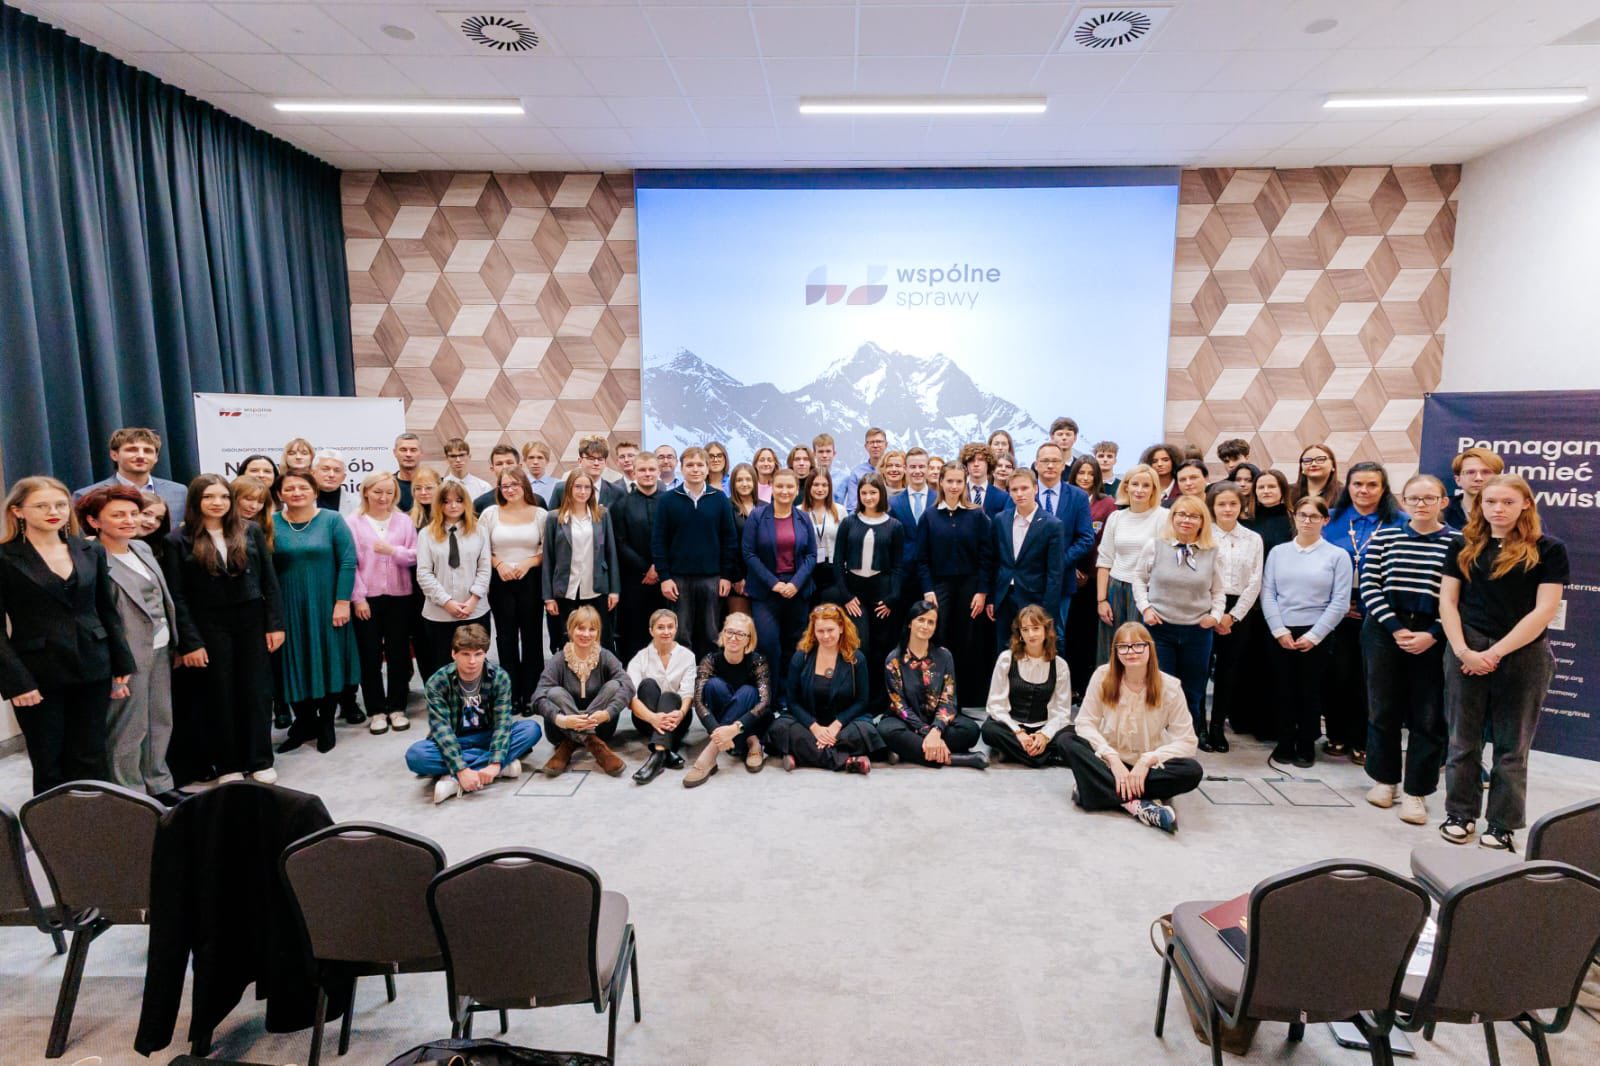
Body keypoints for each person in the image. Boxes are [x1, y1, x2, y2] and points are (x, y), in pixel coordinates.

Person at [1437, 475, 1567, 852]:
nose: (1498, 509)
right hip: (1467, 648)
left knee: (1512, 746)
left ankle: (1502, 824)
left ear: (1526, 503)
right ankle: (1459, 814)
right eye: (1491, 501)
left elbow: (1544, 611)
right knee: (1463, 741)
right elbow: (1448, 602)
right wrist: (1464, 651)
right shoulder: (1462, 544)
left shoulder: (1549, 549)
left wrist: (1495, 653)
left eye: (1508, 502)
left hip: (1523, 653)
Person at [0, 478, 133, 794]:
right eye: (41, 506)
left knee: (91, 754)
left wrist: (121, 662)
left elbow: (106, 609)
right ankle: (53, 824)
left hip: (93, 663)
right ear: (18, 511)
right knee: (49, 759)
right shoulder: (5, 557)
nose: (53, 512)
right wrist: (17, 681)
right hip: (37, 672)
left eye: (60, 505)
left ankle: (93, 819)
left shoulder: (89, 549)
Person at [75, 487, 189, 805]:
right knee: (128, 726)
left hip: (160, 647)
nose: (129, 520)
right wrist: (113, 662)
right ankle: (130, 793)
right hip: (125, 655)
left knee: (159, 719)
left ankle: (158, 782)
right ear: (94, 521)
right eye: (118, 515)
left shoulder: (141, 547)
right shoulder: (90, 557)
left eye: (133, 513)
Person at [171, 475, 285, 784]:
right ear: (196, 501)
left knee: (256, 691)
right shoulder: (178, 539)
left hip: (252, 620)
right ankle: (227, 764)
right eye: (209, 497)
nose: (217, 503)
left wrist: (275, 624)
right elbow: (177, 596)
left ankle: (260, 758)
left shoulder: (250, 530)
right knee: (219, 693)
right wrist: (190, 642)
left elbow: (269, 580)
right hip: (208, 624)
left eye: (223, 496)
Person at [1360, 474, 1460, 825]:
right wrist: (1396, 629)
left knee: (1428, 715)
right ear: (1404, 501)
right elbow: (1369, 586)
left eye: (1429, 498)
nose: (1421, 504)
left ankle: (1416, 791)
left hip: (1434, 631)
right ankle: (1385, 780)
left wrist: (1432, 633)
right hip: (1385, 628)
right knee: (1382, 708)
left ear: (1443, 502)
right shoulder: (1385, 536)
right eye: (1414, 498)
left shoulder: (1458, 542)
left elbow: (1462, 596)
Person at [1067, 623, 1201, 833]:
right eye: (1123, 646)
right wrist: (1111, 758)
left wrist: (1148, 760)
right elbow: (1085, 722)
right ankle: (1137, 805)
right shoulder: (1102, 676)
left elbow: (1188, 742)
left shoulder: (1170, 686)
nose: (1131, 652)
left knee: (1192, 771)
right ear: (1116, 651)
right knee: (1067, 739)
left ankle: (1093, 789)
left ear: (1150, 647)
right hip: (1109, 764)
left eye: (1138, 645)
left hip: (1149, 770)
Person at [1321, 462, 1406, 763]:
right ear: (1348, 487)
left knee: (1371, 679)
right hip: (1336, 610)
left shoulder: (1401, 522)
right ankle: (1336, 735)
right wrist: (1339, 603)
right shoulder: (1331, 519)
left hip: (1382, 612)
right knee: (1338, 675)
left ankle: (1364, 740)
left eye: (1372, 485)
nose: (1364, 490)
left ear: (1384, 489)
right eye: (1357, 484)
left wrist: (1372, 605)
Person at [1260, 494, 1352, 768]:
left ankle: (1306, 744)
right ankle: (1285, 741)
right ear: (1295, 517)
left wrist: (1314, 635)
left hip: (1317, 631)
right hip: (1281, 629)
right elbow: (1268, 593)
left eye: (1314, 516)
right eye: (1303, 515)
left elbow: (1340, 601)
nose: (1308, 521)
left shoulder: (1337, 556)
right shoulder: (1279, 552)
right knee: (1283, 688)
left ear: (1325, 520)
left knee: (1310, 691)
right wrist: (1279, 629)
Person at [272, 471, 360, 755]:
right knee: (294, 662)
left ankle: (326, 722)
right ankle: (304, 721)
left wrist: (342, 601)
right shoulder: (271, 524)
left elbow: (348, 561)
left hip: (327, 603)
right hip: (288, 605)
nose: (296, 492)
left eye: (303, 487)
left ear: (314, 492)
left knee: (328, 659)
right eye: (289, 488)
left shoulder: (332, 520)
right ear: (279, 494)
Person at [405, 623, 541, 804]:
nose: (472, 661)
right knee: (416, 755)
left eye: (478, 654)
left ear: (485, 654)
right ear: (454, 654)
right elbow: (442, 729)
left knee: (531, 729)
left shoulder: (499, 677)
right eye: (465, 654)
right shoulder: (437, 682)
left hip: (487, 736)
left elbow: (502, 723)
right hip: (456, 738)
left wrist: (494, 764)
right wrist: (462, 770)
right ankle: (496, 767)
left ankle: (453, 777)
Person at [1133, 493, 1226, 743]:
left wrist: (1215, 616)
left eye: (1194, 516)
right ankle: (1157, 741)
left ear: (1202, 521)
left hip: (1197, 631)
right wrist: (1146, 608)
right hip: (1160, 628)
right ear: (1172, 517)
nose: (1186, 520)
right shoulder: (1155, 546)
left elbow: (1218, 591)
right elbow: (1139, 579)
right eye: (1181, 514)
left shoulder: (1212, 552)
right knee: (1159, 689)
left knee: (1192, 692)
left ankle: (1186, 742)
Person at [914, 462, 995, 708]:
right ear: (941, 482)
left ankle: (964, 699)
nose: (954, 486)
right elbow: (922, 558)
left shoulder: (977, 515)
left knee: (967, 640)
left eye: (959, 481)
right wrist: (928, 589)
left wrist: (982, 591)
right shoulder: (929, 516)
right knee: (939, 638)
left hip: (970, 587)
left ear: (965, 483)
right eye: (949, 481)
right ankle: (937, 696)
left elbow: (986, 556)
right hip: (939, 587)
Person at [767, 604, 881, 773]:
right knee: (780, 728)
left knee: (865, 731)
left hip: (843, 724)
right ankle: (847, 761)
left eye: (830, 630)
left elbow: (862, 701)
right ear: (813, 631)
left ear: (841, 628)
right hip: (808, 723)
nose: (826, 636)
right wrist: (814, 727)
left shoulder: (856, 659)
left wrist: (836, 725)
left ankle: (802, 754)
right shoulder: (801, 657)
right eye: (820, 631)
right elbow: (792, 701)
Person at [346, 472, 417, 734]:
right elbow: (350, 563)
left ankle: (397, 707)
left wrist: (392, 551)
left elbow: (415, 555)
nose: (383, 497)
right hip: (368, 599)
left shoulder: (404, 521)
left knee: (399, 654)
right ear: (366, 491)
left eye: (389, 492)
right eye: (377, 492)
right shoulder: (353, 522)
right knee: (370, 655)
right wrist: (358, 598)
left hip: (400, 597)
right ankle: (376, 710)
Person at [880, 600, 986, 769]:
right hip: (906, 722)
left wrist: (936, 730)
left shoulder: (944, 656)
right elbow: (899, 706)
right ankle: (953, 759)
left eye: (931, 622)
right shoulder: (894, 660)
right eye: (921, 620)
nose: (925, 626)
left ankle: (911, 750)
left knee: (971, 730)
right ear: (910, 623)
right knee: (886, 730)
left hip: (937, 722)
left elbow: (948, 699)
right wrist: (926, 731)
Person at [652, 446, 737, 657]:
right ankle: (684, 676)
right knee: (681, 634)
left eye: (700, 465)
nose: (695, 469)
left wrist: (726, 576)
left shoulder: (720, 499)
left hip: (712, 579)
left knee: (711, 634)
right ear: (681, 468)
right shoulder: (667, 500)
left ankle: (707, 675)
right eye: (690, 465)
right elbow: (658, 541)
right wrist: (664, 577)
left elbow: (729, 540)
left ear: (707, 468)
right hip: (677, 580)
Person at [743, 468, 818, 704]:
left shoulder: (803, 517)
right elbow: (749, 553)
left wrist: (795, 583)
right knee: (768, 645)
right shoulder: (757, 516)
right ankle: (769, 698)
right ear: (772, 488)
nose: (784, 491)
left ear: (796, 490)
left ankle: (791, 698)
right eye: (780, 486)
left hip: (797, 590)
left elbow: (811, 555)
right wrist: (774, 583)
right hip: (766, 591)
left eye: (789, 487)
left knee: (795, 646)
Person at [534, 606, 633, 778]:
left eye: (592, 629)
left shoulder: (605, 656)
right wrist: (562, 720)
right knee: (555, 692)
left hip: (600, 726)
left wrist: (607, 714)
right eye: (581, 628)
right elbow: (537, 696)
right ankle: (595, 745)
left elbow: (628, 686)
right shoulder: (559, 659)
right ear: (570, 629)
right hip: (561, 729)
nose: (586, 634)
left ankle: (568, 745)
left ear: (598, 632)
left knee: (614, 686)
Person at [834, 473, 903, 714]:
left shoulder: (894, 525)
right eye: (864, 493)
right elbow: (838, 562)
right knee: (859, 646)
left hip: (882, 593)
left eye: (873, 492)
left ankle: (879, 703)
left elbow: (898, 566)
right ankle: (857, 700)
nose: (868, 497)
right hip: (854, 593)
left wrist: (892, 598)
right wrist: (845, 596)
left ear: (881, 494)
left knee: (881, 648)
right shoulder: (849, 523)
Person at [481, 467, 546, 714]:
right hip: (500, 581)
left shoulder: (540, 514)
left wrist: (529, 562)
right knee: (506, 639)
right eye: (505, 485)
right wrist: (499, 564)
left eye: (514, 484)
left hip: (531, 581)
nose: (510, 490)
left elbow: (547, 550)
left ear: (524, 486)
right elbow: (480, 548)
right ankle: (509, 694)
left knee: (532, 638)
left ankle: (531, 694)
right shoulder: (490, 514)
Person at [1204, 481, 1263, 753]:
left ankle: (1218, 726)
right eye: (1221, 504)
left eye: (1233, 504)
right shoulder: (1203, 534)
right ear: (1212, 507)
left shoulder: (1253, 538)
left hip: (1239, 610)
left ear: (1242, 506)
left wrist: (1233, 616)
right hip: (1205, 607)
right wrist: (1215, 614)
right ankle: (1198, 725)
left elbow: (1255, 581)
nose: (1227, 509)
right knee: (1200, 670)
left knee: (1228, 672)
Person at [683, 612, 773, 786]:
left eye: (740, 634)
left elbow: (765, 702)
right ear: (723, 634)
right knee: (713, 685)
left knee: (748, 691)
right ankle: (750, 742)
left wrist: (734, 728)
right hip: (720, 725)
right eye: (729, 632)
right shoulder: (710, 660)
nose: (733, 638)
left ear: (748, 640)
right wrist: (719, 732)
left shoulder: (758, 661)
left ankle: (710, 753)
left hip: (751, 721)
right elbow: (699, 701)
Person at [981, 605, 1074, 767]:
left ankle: (1017, 752)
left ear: (1046, 630)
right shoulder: (1006, 659)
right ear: (1020, 634)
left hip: (1043, 725)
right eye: (1025, 629)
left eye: (1036, 628)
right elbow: (995, 706)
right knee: (989, 730)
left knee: (1070, 736)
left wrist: (1044, 735)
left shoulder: (1059, 665)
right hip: (1013, 726)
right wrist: (1018, 732)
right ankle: (1043, 757)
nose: (1031, 634)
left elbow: (1062, 711)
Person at [415, 481, 491, 669]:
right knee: (442, 665)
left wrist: (474, 599)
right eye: (446, 501)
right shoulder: (426, 534)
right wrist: (446, 601)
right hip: (439, 613)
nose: (453, 506)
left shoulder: (479, 531)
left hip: (474, 610)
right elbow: (424, 573)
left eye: (458, 500)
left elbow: (484, 568)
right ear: (439, 504)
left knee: (473, 665)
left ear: (466, 503)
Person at [1095, 464, 1166, 665]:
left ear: (1154, 489)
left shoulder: (1164, 517)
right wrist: (1102, 600)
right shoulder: (1116, 517)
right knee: (1112, 648)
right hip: (1116, 589)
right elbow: (1105, 560)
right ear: (1126, 486)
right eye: (1135, 484)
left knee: (1141, 649)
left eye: (1146, 485)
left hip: (1148, 592)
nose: (1139, 490)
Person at [987, 468, 1064, 652]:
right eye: (1014, 490)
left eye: (1024, 488)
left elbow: (1054, 573)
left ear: (1035, 489)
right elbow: (994, 561)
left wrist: (1048, 611)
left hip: (1034, 598)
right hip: (1004, 596)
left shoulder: (1052, 524)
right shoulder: (1000, 519)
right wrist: (991, 597)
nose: (1019, 494)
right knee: (1004, 648)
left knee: (1032, 649)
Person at [542, 469, 620, 649]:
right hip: (566, 588)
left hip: (596, 587)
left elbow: (610, 553)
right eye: (578, 486)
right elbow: (548, 558)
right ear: (569, 488)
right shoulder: (554, 518)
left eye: (587, 487)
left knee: (601, 639)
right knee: (568, 640)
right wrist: (548, 597)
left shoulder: (601, 515)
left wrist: (614, 590)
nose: (583, 491)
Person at [1032, 443, 1097, 639]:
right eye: (1045, 461)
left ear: (1063, 465)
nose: (1050, 465)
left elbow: (1086, 537)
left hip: (1062, 578)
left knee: (1055, 634)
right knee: (1027, 633)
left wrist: (1060, 561)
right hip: (1029, 577)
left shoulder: (1078, 496)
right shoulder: (1024, 492)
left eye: (1055, 461)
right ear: (1036, 464)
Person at [625, 609, 697, 784]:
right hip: (646, 720)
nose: (666, 632)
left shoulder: (687, 656)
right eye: (660, 627)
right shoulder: (640, 658)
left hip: (677, 720)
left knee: (670, 696)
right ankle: (665, 751)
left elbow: (687, 694)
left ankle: (657, 756)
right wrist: (653, 718)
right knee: (648, 684)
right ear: (651, 631)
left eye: (670, 627)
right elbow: (631, 698)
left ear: (676, 629)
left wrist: (681, 712)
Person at [613, 451, 667, 663]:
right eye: (642, 470)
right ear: (634, 472)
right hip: (634, 580)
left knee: (664, 629)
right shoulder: (621, 504)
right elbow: (619, 541)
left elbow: (675, 538)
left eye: (652, 469)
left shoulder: (670, 502)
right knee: (633, 633)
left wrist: (658, 568)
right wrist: (646, 568)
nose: (647, 473)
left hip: (665, 580)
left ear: (659, 472)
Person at [73, 426, 189, 516]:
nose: (141, 456)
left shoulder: (179, 492)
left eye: (148, 451)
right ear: (114, 455)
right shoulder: (87, 495)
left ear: (156, 458)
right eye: (132, 450)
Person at [406, 465, 446, 685]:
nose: (423, 493)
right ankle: (432, 689)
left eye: (429, 487)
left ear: (439, 487)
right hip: (417, 591)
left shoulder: (450, 517)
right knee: (422, 642)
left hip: (448, 588)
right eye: (418, 488)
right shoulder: (406, 519)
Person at [800, 468, 845, 606]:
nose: (820, 489)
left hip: (833, 571)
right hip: (807, 571)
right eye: (816, 484)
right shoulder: (798, 511)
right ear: (809, 487)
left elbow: (846, 544)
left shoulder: (840, 510)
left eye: (824, 485)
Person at [550, 435, 626, 510]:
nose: (596, 463)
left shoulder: (617, 492)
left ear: (605, 462)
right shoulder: (561, 489)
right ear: (580, 461)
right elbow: (552, 516)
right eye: (591, 459)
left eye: (600, 459)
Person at [725, 462, 759, 616]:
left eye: (748, 479)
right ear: (733, 483)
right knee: (740, 623)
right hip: (738, 579)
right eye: (739, 480)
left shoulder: (765, 507)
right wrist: (737, 577)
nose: (744, 484)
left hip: (762, 577)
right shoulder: (727, 507)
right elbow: (728, 545)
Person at [1443, 446, 1503, 530]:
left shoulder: (1509, 511)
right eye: (1470, 472)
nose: (1478, 478)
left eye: (1486, 472)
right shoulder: (1441, 511)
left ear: (1498, 478)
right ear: (1458, 480)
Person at [838, 427, 888, 514]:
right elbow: (852, 507)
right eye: (871, 442)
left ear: (886, 445)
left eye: (879, 441)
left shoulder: (893, 471)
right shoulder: (857, 473)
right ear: (866, 446)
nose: (875, 445)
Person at [471, 444, 528, 513]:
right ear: (492, 468)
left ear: (519, 467)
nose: (504, 467)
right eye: (499, 464)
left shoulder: (536, 501)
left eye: (509, 463)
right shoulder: (481, 504)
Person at [961, 442, 1008, 516]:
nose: (976, 464)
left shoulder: (1003, 497)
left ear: (988, 463)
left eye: (981, 460)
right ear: (966, 465)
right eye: (971, 460)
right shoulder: (958, 493)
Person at [311, 450, 359, 517]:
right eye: (325, 469)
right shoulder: (301, 500)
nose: (331, 475)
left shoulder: (357, 504)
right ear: (313, 473)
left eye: (337, 471)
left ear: (343, 477)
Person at [1291, 442, 1341, 507]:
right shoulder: (1288, 492)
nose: (1313, 464)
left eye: (1320, 459)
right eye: (1307, 460)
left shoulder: (1344, 494)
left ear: (1333, 465)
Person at [392, 432, 422, 512]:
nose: (408, 454)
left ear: (421, 453)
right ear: (395, 452)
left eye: (413, 450)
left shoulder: (435, 484)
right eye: (403, 450)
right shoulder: (388, 485)